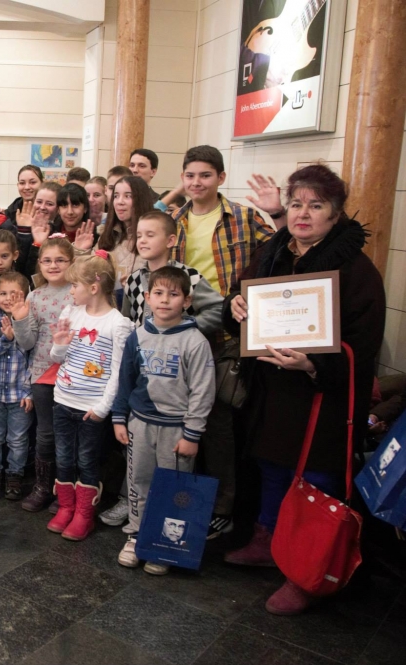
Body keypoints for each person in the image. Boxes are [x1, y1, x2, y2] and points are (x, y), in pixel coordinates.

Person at [222, 164, 384, 615]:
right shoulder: (274, 250)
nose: (303, 214)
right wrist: (236, 304)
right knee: (272, 464)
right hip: (273, 387)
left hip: (321, 396)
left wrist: (314, 364)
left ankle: (307, 570)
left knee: (317, 477)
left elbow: (363, 344)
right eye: (296, 204)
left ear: (336, 214)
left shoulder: (356, 269)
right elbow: (241, 295)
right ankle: (267, 537)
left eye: (316, 205)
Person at [172, 145, 276, 539]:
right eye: (190, 175)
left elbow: (281, 251)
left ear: (220, 178)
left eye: (205, 175)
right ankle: (179, 499)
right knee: (180, 417)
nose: (196, 182)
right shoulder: (175, 220)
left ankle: (222, 506)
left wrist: (280, 212)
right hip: (182, 330)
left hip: (226, 333)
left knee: (216, 420)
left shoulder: (244, 218)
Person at [112, 266, 215, 576]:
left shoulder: (195, 341)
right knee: (138, 482)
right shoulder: (138, 336)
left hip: (177, 430)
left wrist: (192, 434)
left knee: (173, 488)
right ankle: (136, 535)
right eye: (158, 293)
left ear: (187, 301)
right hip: (140, 424)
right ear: (147, 297)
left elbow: (203, 391)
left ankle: (163, 543)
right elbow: (125, 380)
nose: (165, 300)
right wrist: (119, 418)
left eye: (173, 294)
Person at [48, 253, 132, 541]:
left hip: (91, 408)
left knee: (86, 461)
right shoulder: (71, 314)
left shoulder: (118, 324)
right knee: (63, 457)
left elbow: (118, 373)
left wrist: (103, 408)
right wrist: (59, 345)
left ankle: (84, 514)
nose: (70, 291)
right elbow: (57, 357)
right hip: (63, 399)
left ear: (93, 288)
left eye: (75, 285)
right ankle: (66, 507)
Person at [11, 237, 76, 512]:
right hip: (42, 374)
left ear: (71, 262)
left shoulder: (79, 293)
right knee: (46, 434)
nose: (53, 265)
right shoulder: (35, 297)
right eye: (47, 260)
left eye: (60, 260)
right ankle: (42, 487)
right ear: (39, 264)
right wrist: (19, 319)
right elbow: (27, 343)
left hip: (74, 374)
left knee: (69, 436)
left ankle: (67, 490)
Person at [124, 211, 223, 336]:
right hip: (142, 347)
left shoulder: (191, 277)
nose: (142, 241)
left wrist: (189, 326)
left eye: (150, 235)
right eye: (139, 236)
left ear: (170, 241)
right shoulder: (133, 280)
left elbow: (218, 309)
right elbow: (126, 320)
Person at [0, 271, 33, 500]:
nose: (7, 298)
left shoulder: (28, 319)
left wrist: (28, 391)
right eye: (3, 293)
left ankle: (15, 474)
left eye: (14, 294)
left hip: (19, 394)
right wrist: (6, 339)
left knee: (18, 439)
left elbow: (33, 358)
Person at [99, 175, 153, 294]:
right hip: (109, 302)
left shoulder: (153, 238)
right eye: (116, 196)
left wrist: (135, 285)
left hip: (142, 301)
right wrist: (81, 251)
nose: (120, 202)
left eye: (128, 196)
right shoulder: (107, 234)